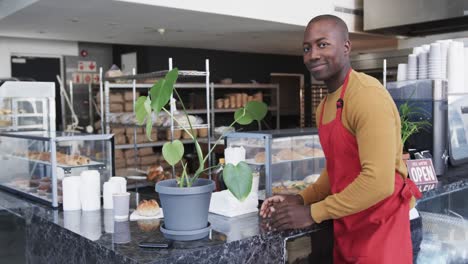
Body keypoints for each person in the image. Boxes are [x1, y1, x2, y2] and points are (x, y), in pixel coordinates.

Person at [260, 15, 422, 264]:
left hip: (383, 226)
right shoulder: (324, 106)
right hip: (349, 223)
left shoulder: (367, 96)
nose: (313, 54)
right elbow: (336, 169)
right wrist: (302, 198)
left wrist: (312, 212)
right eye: (307, 48)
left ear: (346, 47)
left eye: (322, 44)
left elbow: (378, 182)